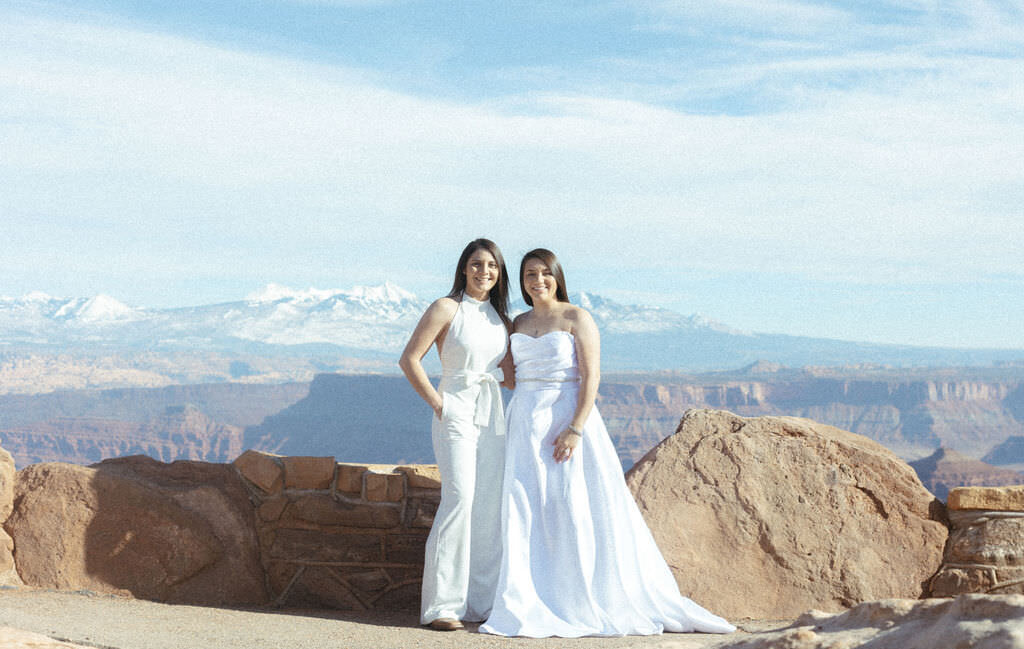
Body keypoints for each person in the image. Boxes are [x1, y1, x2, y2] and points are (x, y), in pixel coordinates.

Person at [479, 248, 736, 638]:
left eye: (545, 273)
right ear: (522, 280)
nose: (538, 280)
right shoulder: (518, 322)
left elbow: (591, 376)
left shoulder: (577, 317)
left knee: (571, 503)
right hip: (524, 419)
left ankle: (577, 597)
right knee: (523, 504)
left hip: (565, 414)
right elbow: (511, 377)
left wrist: (576, 427)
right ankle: (528, 598)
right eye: (530, 274)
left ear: (557, 277)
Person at [398, 238, 513, 632]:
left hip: (491, 412)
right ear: (464, 268)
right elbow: (410, 358)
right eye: (477, 264)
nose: (485, 272)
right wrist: (439, 404)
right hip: (456, 410)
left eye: (492, 266)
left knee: (487, 505)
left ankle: (480, 604)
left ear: (500, 273)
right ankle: (442, 606)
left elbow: (512, 372)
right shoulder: (447, 307)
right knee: (460, 498)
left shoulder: (501, 318)